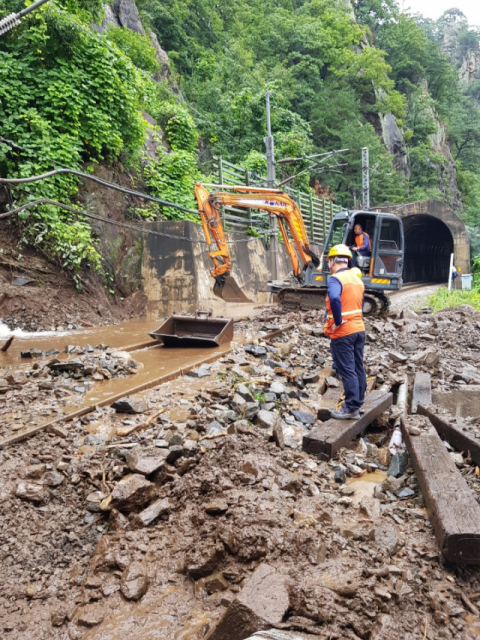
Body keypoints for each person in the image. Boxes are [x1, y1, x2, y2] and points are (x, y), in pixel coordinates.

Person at [324, 244, 367, 420]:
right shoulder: (357, 279)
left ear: (333, 261)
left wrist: (338, 321)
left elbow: (334, 298)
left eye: (329, 261)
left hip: (343, 332)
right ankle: (358, 401)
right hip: (359, 329)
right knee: (358, 367)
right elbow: (360, 305)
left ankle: (350, 408)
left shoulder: (336, 279)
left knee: (347, 370)